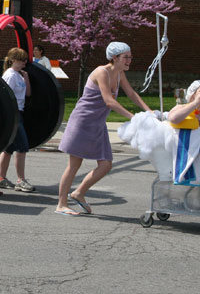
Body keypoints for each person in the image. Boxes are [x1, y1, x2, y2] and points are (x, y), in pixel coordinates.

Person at [55, 41, 152, 216]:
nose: (129, 60)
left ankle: (78, 193)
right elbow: (109, 101)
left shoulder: (119, 73)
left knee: (106, 164)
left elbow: (131, 93)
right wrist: (134, 117)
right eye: (126, 57)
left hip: (98, 124)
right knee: (74, 165)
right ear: (114, 58)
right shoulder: (102, 72)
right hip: (82, 122)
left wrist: (148, 111)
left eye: (130, 57)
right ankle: (61, 204)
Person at [0, 48, 35, 192]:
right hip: (14, 113)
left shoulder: (18, 75)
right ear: (13, 60)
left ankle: (1, 178)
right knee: (22, 147)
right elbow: (6, 96)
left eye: (25, 60)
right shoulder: (10, 75)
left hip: (19, 112)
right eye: (22, 60)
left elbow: (28, 93)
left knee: (9, 148)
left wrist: (26, 78)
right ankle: (21, 180)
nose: (25, 62)